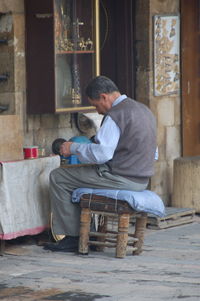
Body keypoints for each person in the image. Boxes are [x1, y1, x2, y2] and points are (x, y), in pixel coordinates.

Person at [44, 75, 157, 252]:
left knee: (59, 176)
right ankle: (88, 232)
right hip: (142, 180)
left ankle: (74, 237)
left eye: (96, 105)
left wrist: (73, 147)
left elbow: (102, 154)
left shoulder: (116, 115)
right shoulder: (144, 110)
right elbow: (154, 153)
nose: (98, 111)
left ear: (104, 97)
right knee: (79, 174)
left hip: (122, 178)